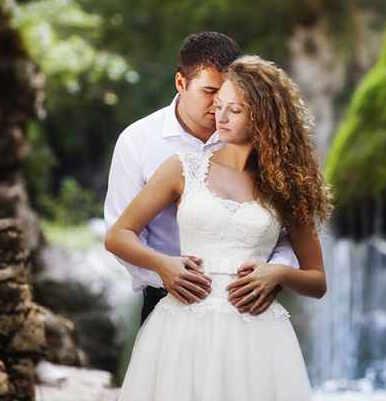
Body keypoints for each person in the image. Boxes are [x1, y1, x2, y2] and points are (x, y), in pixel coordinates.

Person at [106, 55, 331, 400]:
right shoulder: (182, 167)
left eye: (234, 110)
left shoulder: (287, 186)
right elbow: (117, 235)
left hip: (257, 334)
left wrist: (279, 274)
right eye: (219, 105)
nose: (219, 116)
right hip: (182, 326)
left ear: (263, 118)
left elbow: (317, 281)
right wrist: (162, 263)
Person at [103, 32, 298, 323]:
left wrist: (276, 273)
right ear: (181, 83)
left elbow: (283, 228)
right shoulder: (137, 141)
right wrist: (162, 270)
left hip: (248, 303)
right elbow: (119, 231)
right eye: (209, 91)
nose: (218, 105)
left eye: (228, 95)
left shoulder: (252, 139)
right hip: (166, 300)